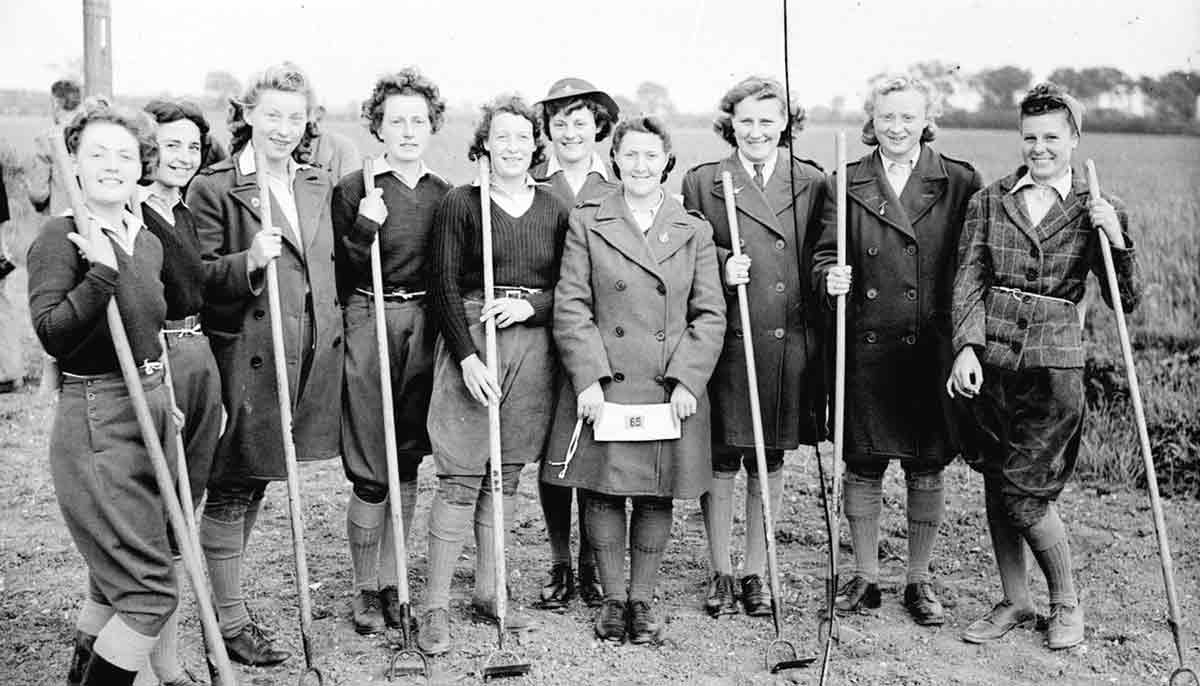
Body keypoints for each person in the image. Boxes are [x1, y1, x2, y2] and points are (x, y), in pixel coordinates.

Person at [950, 82, 1141, 651]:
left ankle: (1066, 603)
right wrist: (965, 347)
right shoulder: (990, 198)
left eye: (1052, 137)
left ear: (1074, 140)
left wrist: (1116, 238)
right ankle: (1014, 599)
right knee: (995, 477)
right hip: (991, 362)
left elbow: (1123, 299)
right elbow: (968, 280)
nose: (1039, 148)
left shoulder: (1097, 205)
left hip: (1055, 367)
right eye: (1030, 137)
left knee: (1026, 490)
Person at [544, 115, 726, 644]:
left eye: (652, 156)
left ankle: (642, 600)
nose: (641, 166)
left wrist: (688, 381)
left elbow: (709, 314)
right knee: (602, 490)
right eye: (631, 155)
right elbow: (572, 305)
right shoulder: (589, 220)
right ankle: (613, 599)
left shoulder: (693, 229)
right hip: (609, 381)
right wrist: (589, 380)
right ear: (616, 159)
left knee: (654, 492)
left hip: (667, 385)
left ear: (667, 161)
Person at [186, 62, 344, 668]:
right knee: (232, 488)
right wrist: (247, 260)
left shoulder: (314, 182)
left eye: (295, 116)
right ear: (248, 113)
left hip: (302, 359)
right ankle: (227, 621)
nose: (283, 127)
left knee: (253, 488)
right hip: (245, 360)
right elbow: (196, 279)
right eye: (272, 114)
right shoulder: (217, 186)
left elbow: (327, 267)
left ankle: (223, 608)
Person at [812, 74, 982, 626]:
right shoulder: (846, 179)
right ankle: (864, 578)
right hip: (865, 345)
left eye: (909, 117)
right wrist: (828, 278)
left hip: (928, 347)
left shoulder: (958, 180)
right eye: (887, 117)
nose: (898, 127)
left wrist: (965, 342)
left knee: (925, 465)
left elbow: (971, 269)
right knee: (862, 463)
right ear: (872, 119)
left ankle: (919, 580)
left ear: (926, 118)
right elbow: (821, 256)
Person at [27, 99, 175, 686]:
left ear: (142, 164)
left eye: (125, 154)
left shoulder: (146, 235)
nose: (112, 165)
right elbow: (53, 334)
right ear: (76, 165)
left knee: (112, 582)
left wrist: (164, 388)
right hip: (97, 417)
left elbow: (152, 322)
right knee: (148, 593)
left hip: (150, 408)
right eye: (97, 154)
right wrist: (100, 275)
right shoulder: (60, 238)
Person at [417, 94, 568, 655]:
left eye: (522, 137)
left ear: (535, 145)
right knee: (459, 476)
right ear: (485, 144)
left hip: (532, 348)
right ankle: (433, 607)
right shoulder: (463, 202)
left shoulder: (553, 208)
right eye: (501, 137)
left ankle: (490, 592)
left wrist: (533, 307)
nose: (512, 146)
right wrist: (466, 357)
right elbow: (443, 286)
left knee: (504, 475)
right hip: (475, 345)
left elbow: (571, 288)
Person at [681, 76, 827, 618]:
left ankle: (755, 573)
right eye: (746, 121)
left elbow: (821, 255)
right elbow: (686, 250)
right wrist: (721, 263)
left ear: (785, 124)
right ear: (730, 124)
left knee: (768, 457)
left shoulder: (812, 182)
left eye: (768, 121)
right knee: (720, 455)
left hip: (784, 341)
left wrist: (830, 278)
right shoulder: (703, 181)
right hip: (726, 341)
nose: (757, 131)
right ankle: (719, 571)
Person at [138, 98, 259, 685]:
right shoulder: (136, 215)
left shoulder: (180, 211)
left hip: (197, 353)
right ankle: (156, 658)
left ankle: (171, 651)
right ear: (144, 146)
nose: (182, 156)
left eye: (191, 146)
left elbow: (203, 283)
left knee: (184, 510)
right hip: (157, 360)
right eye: (169, 144)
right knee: (158, 515)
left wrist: (244, 266)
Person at [332, 68, 451, 635]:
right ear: (377, 126)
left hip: (424, 323)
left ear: (432, 127)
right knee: (370, 464)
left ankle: (393, 579)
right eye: (396, 120)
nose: (408, 130)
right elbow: (343, 267)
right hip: (369, 313)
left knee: (406, 456)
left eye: (419, 121)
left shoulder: (444, 194)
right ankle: (363, 589)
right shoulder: (355, 187)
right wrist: (363, 225)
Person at [530, 76, 620, 610]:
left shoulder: (615, 187)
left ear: (599, 129)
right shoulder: (532, 183)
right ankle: (561, 561)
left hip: (599, 338)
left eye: (580, 122)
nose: (569, 132)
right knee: (551, 453)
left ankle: (592, 562)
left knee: (594, 447)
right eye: (559, 122)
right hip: (541, 336)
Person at [27, 78, 83, 217]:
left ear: (56, 103)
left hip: (62, 220)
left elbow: (38, 193)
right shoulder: (93, 133)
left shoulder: (47, 139)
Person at [304, 104, 361, 182]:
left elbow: (350, 188)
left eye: (318, 119)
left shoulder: (345, 147)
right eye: (309, 122)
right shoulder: (291, 147)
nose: (314, 124)